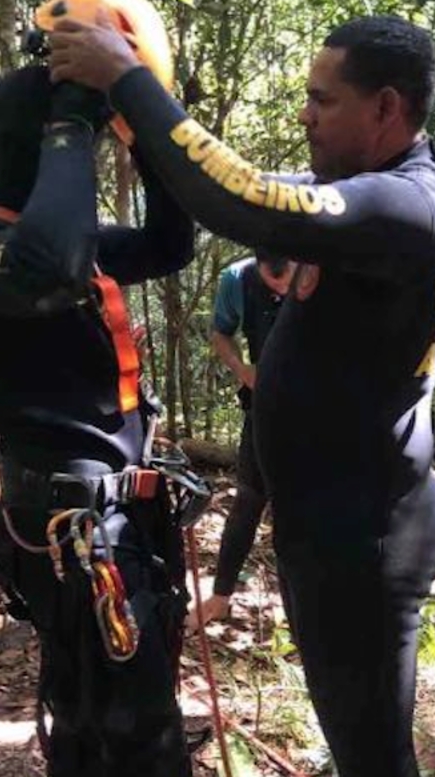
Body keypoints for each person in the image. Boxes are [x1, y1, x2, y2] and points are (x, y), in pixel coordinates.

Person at [49, 12, 435, 777]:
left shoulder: (409, 208)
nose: (304, 113)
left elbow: (243, 203)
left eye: (323, 99)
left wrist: (128, 79)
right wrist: (139, 129)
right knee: (356, 737)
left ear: (386, 108)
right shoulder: (359, 198)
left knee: (374, 754)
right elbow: (236, 191)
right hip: (333, 525)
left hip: (366, 540)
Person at [0, 65, 196, 776]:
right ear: (45, 144)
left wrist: (151, 138)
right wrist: (73, 124)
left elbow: (171, 245)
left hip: (120, 519)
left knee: (108, 711)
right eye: (78, 143)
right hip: (70, 530)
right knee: (132, 727)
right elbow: (48, 268)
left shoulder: (69, 241)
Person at [186, 249, 295, 630]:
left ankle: (303, 607)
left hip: (319, 415)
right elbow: (220, 333)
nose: (281, 287)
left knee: (302, 511)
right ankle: (220, 596)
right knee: (249, 500)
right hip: (263, 409)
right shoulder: (237, 279)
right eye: (272, 280)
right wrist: (241, 369)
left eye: (288, 279)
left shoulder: (322, 269)